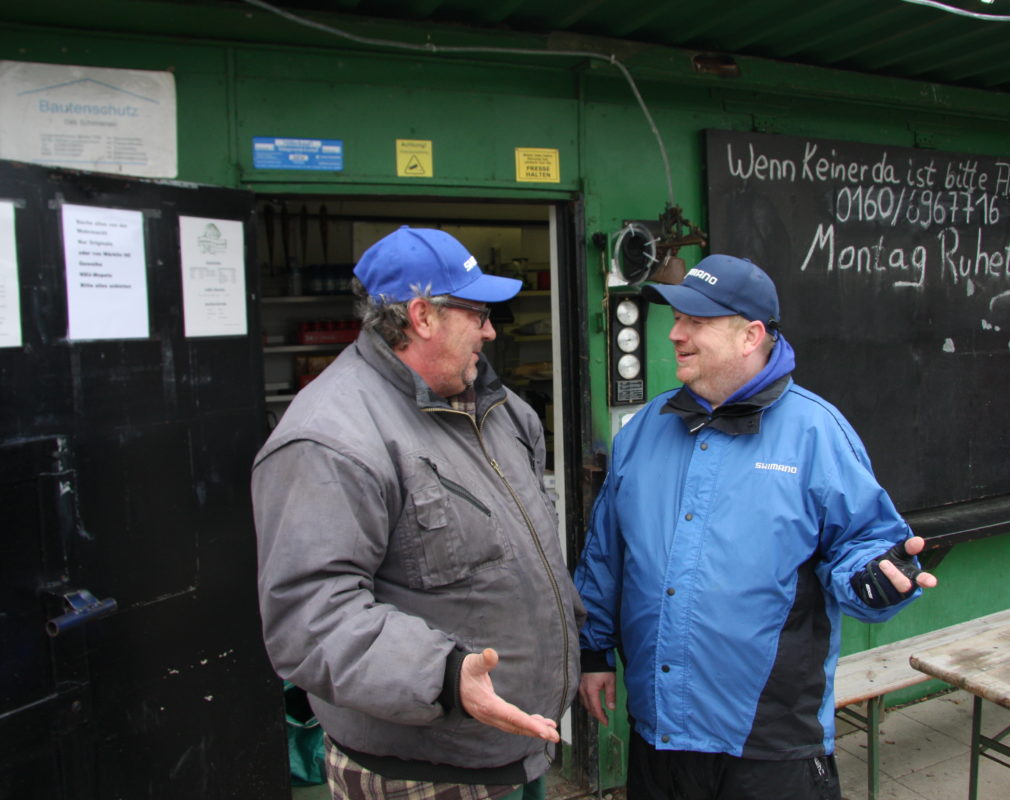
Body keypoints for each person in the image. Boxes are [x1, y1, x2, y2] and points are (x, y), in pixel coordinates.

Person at [573, 254, 938, 800]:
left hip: (770, 743)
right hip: (660, 730)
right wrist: (593, 652)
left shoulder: (817, 432)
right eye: (675, 319)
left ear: (751, 335)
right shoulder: (643, 431)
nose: (675, 334)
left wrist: (876, 579)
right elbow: (607, 554)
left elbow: (865, 546)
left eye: (695, 322)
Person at [252, 225, 583, 800]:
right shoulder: (330, 438)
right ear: (423, 316)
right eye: (477, 312)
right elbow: (310, 618)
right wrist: (448, 677)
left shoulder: (505, 414)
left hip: (520, 748)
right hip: (420, 773)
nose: (490, 329)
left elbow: (535, 558)